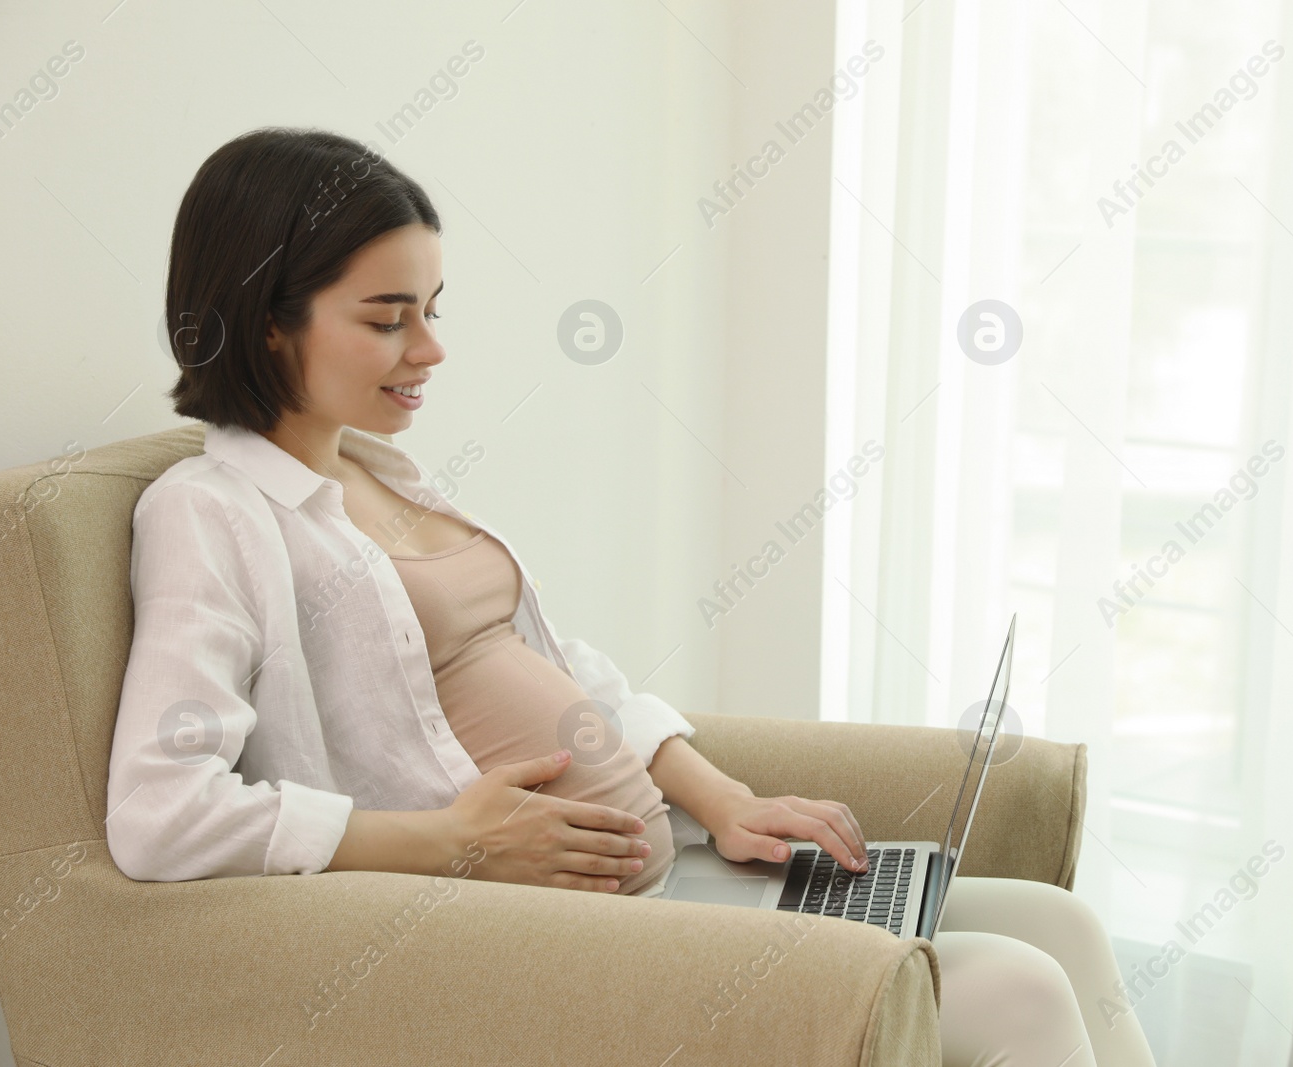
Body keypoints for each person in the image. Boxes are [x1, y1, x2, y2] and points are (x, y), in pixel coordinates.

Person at [107, 126, 1158, 1066]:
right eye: (388, 319)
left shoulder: (380, 471)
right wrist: (453, 838)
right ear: (267, 322)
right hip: (523, 940)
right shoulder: (212, 513)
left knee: (1053, 926)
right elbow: (159, 812)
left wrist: (717, 796)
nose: (430, 350)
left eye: (431, 310)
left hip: (655, 881)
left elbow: (569, 673)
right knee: (1017, 989)